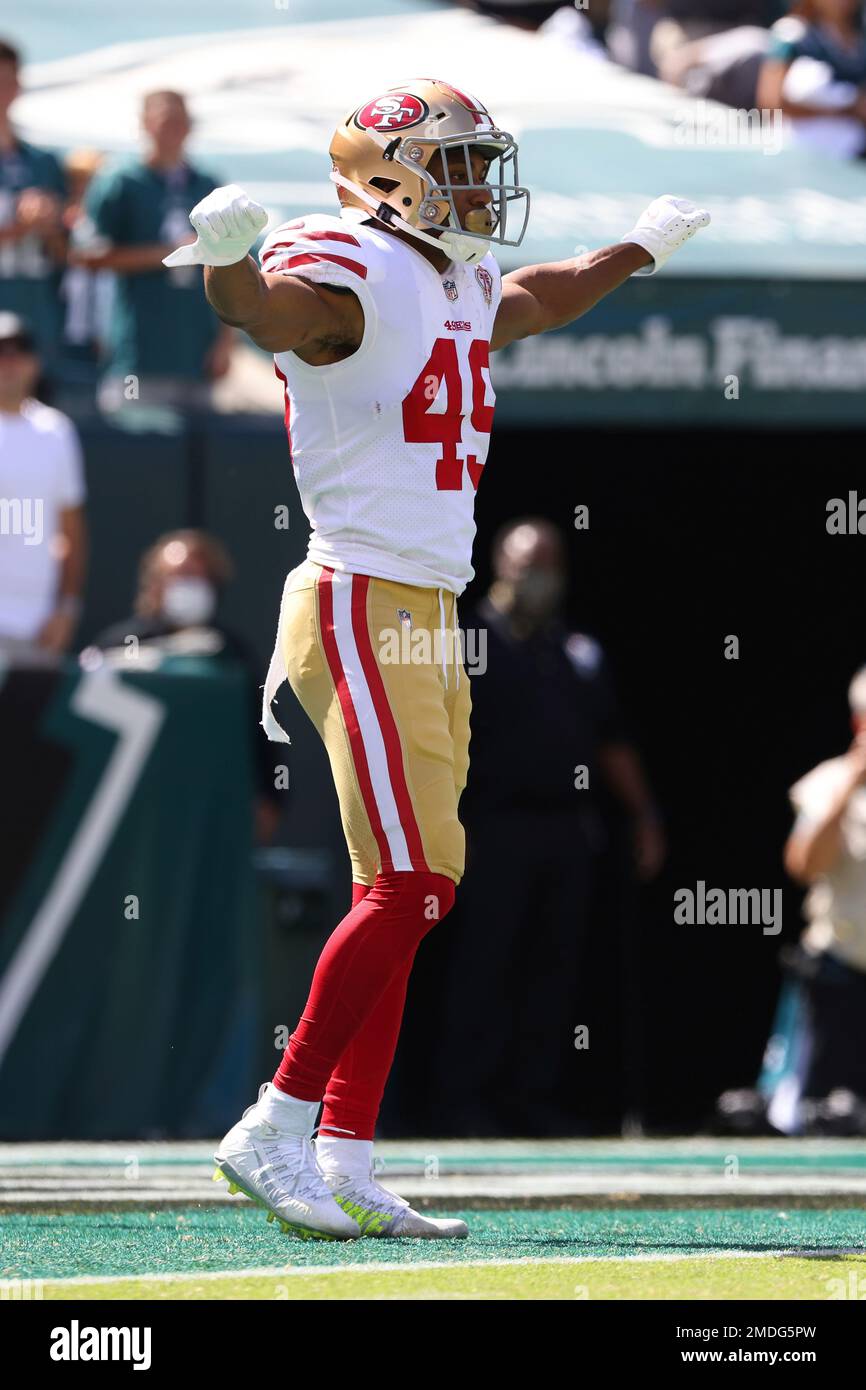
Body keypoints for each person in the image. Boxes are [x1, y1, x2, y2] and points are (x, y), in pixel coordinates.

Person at [164, 78, 709, 1240]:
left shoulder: (450, 271)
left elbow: (524, 300)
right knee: (413, 882)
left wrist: (631, 253)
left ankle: (348, 1150)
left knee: (405, 893)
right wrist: (223, 260)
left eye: (477, 163)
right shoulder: (347, 262)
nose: (476, 186)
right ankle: (276, 1121)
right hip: (359, 591)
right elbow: (267, 310)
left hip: (422, 603)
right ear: (385, 174)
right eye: (456, 164)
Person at [433, 519, 665, 1135]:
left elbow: (612, 740)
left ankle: (528, 1098)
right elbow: (429, 735)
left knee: (553, 969)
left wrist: (643, 815)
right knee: (485, 963)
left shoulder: (577, 650)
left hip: (566, 831)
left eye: (550, 564)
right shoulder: (464, 639)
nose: (537, 578)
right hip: (491, 828)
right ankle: (463, 1101)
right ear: (498, 565)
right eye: (525, 563)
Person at [85, 529, 282, 846]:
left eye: (196, 576)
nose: (186, 585)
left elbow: (261, 734)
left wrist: (269, 798)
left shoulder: (232, 653)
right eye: (177, 576)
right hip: (131, 810)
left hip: (207, 813)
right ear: (155, 583)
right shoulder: (116, 646)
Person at [76, 91, 233, 413]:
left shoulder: (206, 184)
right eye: (164, 121)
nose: (172, 130)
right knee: (133, 445)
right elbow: (88, 254)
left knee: (194, 455)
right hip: (137, 354)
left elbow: (231, 263)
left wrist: (225, 342)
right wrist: (170, 253)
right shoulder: (121, 180)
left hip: (194, 353)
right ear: (145, 124)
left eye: (180, 121)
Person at [780, 665, 866, 1124]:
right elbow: (803, 865)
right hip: (841, 979)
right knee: (820, 1115)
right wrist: (852, 787)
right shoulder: (829, 782)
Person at [0, 312, 86, 655]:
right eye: (0, 353)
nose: (8, 363)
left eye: (17, 352)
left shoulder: (56, 431)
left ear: (34, 363)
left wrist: (66, 610)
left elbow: (71, 531)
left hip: (36, 626)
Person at [0, 40, 67, 366]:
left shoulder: (43, 163)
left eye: (7, 80)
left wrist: (50, 223)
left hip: (36, 312)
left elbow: (66, 253)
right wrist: (21, 226)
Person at [757, 1, 866, 159]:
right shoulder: (790, 33)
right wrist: (841, 112)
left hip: (852, 154)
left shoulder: (861, 42)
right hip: (795, 152)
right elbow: (771, 104)